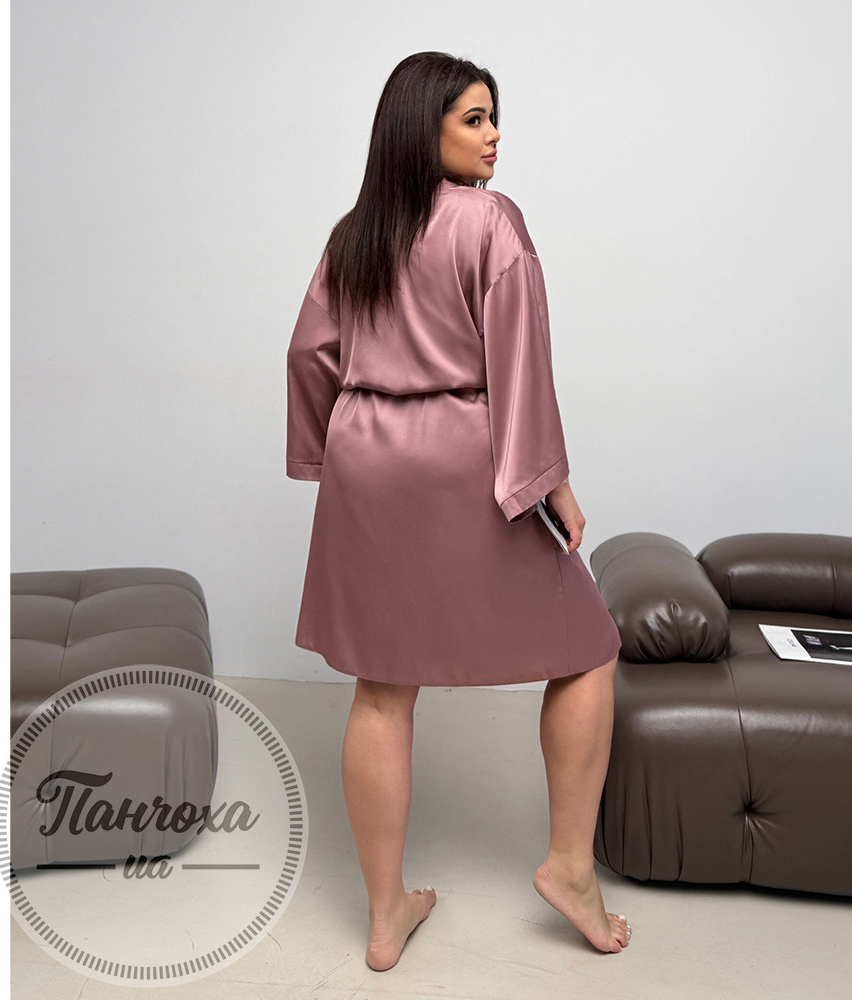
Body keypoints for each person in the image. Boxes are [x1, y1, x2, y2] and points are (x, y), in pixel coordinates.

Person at [286, 51, 631, 971]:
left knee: (382, 687)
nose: (494, 135)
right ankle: (569, 867)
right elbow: (520, 355)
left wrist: (328, 458)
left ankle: (384, 914)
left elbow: (310, 353)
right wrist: (549, 483)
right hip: (460, 456)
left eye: (493, 117)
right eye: (474, 119)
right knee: (588, 648)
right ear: (423, 126)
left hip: (366, 461)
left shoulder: (355, 232)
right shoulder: (489, 220)